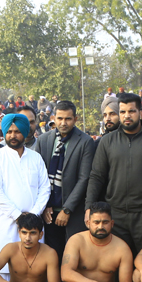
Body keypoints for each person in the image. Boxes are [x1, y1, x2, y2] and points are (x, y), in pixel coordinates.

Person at [85, 92, 142, 255]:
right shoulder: (107, 141)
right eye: (122, 112)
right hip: (116, 214)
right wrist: (89, 207)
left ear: (140, 113)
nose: (127, 116)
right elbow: (96, 176)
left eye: (131, 111)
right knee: (117, 264)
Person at [0, 113, 50, 268]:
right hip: (5, 223)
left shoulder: (36, 158)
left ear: (25, 132)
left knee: (34, 269)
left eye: (17, 132)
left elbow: (45, 188)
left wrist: (33, 214)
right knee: (6, 269)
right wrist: (18, 216)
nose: (13, 135)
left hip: (33, 225)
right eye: (9, 132)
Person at [35, 100, 95, 260]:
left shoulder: (86, 142)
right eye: (60, 118)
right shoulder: (43, 140)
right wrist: (45, 205)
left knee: (73, 257)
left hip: (73, 212)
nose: (63, 123)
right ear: (53, 118)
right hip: (47, 211)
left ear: (75, 119)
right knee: (52, 257)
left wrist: (67, 209)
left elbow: (84, 178)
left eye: (68, 119)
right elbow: (39, 176)